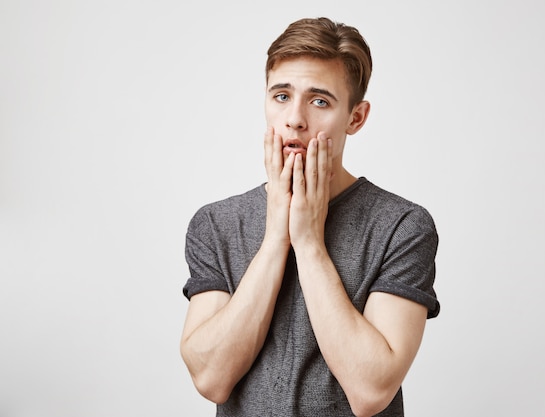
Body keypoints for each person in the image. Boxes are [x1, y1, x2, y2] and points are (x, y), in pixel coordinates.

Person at [180, 17, 440, 417]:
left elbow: (370, 391)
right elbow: (212, 378)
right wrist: (275, 240)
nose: (295, 119)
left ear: (356, 117)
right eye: (281, 96)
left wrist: (309, 243)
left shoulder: (402, 226)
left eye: (320, 101)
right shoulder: (216, 224)